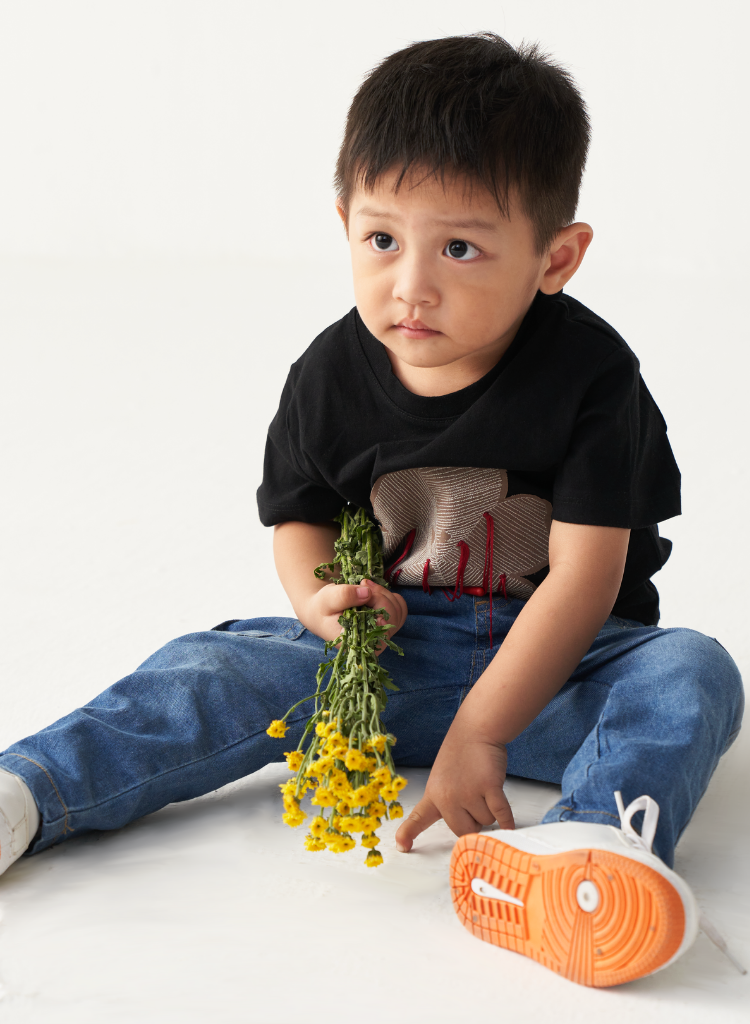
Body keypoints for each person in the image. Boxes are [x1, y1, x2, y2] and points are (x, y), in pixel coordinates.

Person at [0, 33, 743, 987]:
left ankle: (584, 854)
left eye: (462, 248)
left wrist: (482, 734)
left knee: (691, 672)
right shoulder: (329, 373)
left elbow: (587, 577)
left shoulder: (594, 378)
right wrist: (324, 604)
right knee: (214, 664)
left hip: (559, 668)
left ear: (556, 258)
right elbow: (300, 519)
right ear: (345, 219)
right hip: (386, 655)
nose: (411, 286)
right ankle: (32, 788)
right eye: (382, 239)